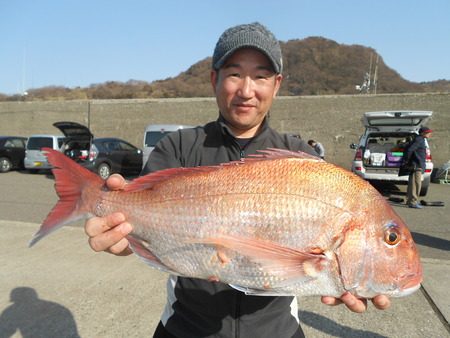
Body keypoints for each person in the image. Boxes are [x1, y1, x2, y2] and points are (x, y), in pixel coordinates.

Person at [85, 22, 390, 338]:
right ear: (214, 79)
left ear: (277, 84)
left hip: (278, 331)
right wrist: (118, 239)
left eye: (260, 76)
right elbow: (138, 233)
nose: (247, 90)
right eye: (234, 74)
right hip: (184, 328)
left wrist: (352, 272)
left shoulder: (301, 158)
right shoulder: (177, 148)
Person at [404, 126, 433, 208]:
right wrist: (407, 161)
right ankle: (413, 202)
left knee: (412, 184)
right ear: (423, 133)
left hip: (417, 164)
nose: (430, 134)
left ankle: (409, 201)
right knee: (416, 184)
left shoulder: (421, 139)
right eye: (428, 132)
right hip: (417, 165)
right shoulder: (419, 139)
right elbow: (410, 150)